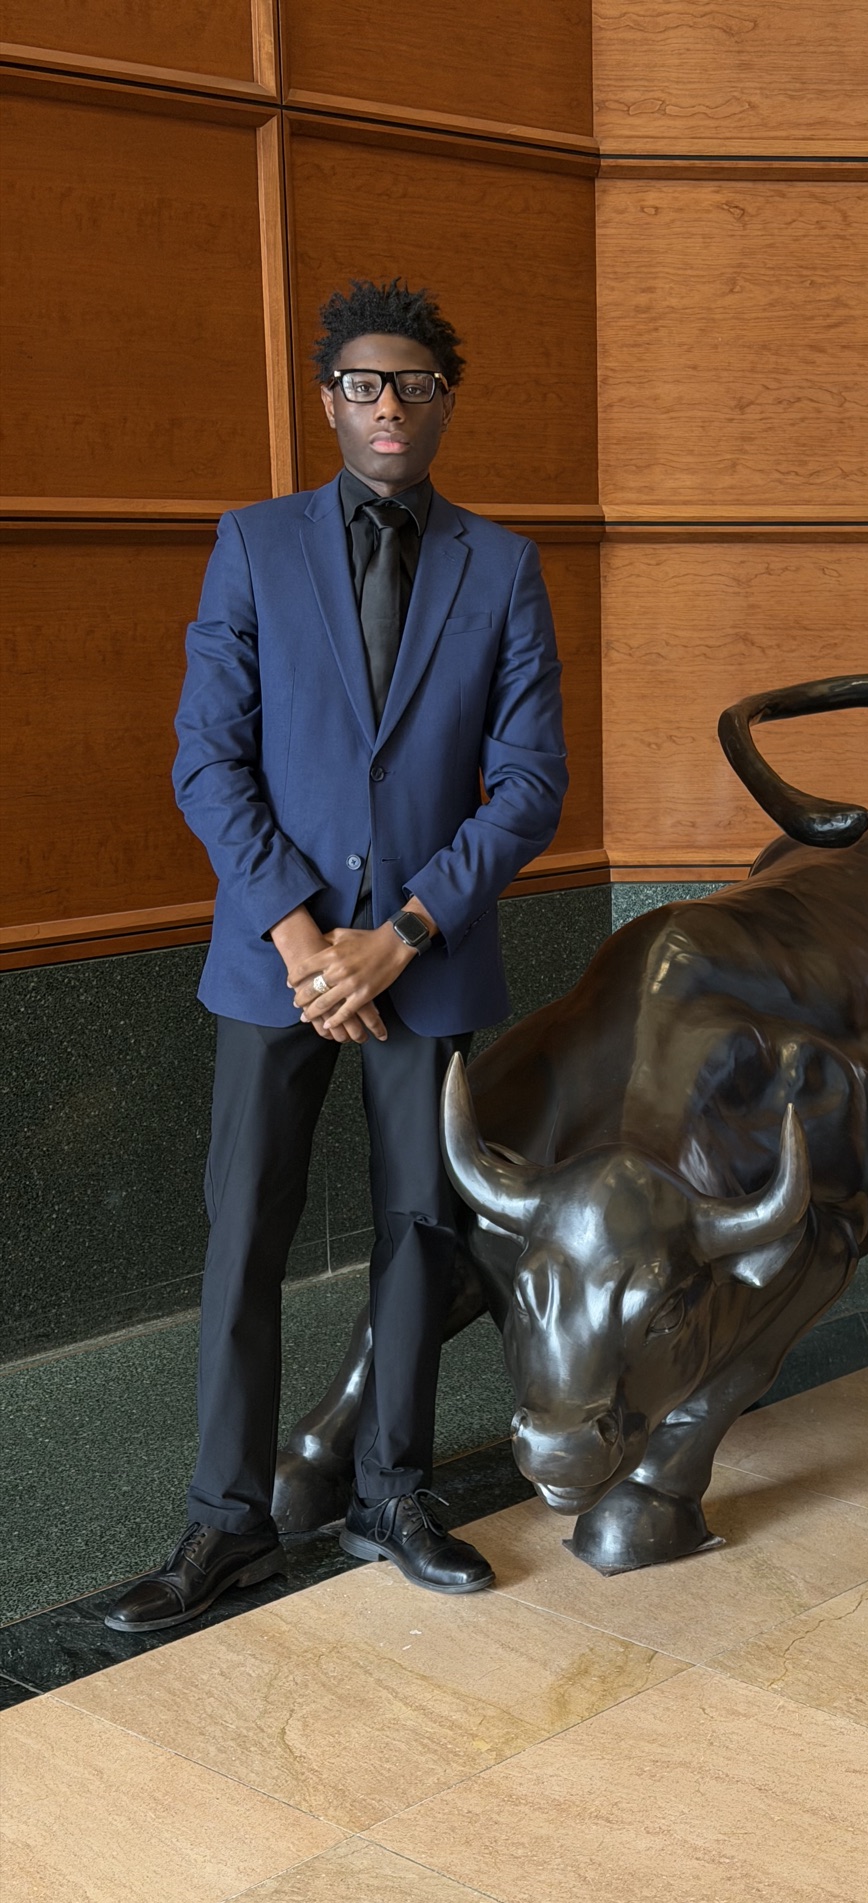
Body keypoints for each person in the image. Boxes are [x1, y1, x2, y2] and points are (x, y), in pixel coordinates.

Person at [107, 279, 567, 1632]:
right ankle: (225, 1525)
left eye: (411, 385)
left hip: (426, 964)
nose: (385, 405)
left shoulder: (503, 565)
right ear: (328, 400)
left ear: (442, 402)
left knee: (421, 1235)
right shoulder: (252, 548)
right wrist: (306, 934)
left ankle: (394, 1494)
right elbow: (208, 758)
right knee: (242, 1239)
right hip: (274, 966)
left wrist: (403, 933)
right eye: (362, 384)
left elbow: (531, 781)